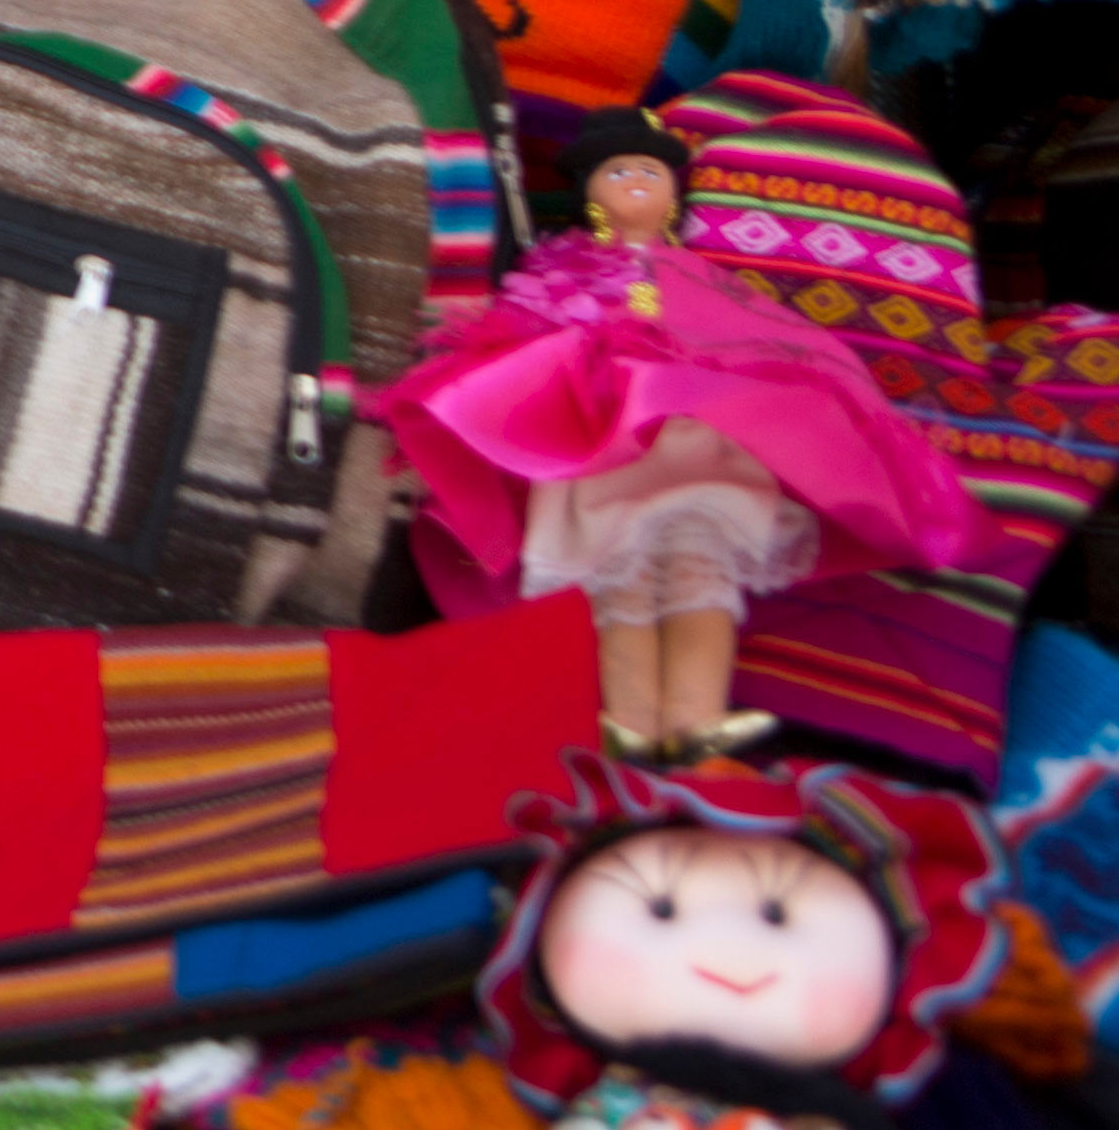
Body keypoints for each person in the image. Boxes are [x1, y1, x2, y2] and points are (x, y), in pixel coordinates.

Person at [382, 109, 998, 761]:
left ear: (676, 192)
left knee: (700, 585)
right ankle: (632, 725)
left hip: (695, 454)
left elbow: (760, 337)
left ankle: (695, 721)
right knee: (620, 591)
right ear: (588, 192)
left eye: (650, 171)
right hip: (605, 454)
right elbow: (518, 351)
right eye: (618, 171)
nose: (635, 181)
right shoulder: (560, 275)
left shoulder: (703, 277)